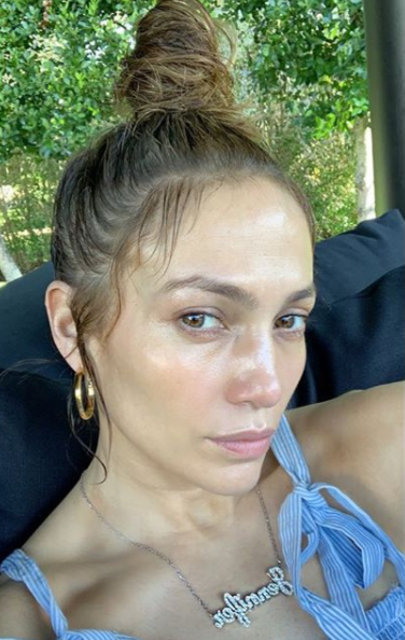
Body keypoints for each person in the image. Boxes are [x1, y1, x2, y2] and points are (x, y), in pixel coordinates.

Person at [0, 1, 403, 638]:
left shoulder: (383, 449)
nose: (267, 386)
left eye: (288, 320)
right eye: (200, 318)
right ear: (73, 328)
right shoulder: (30, 623)